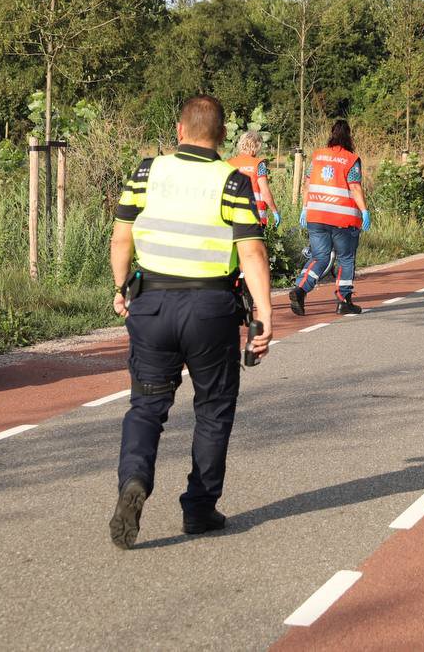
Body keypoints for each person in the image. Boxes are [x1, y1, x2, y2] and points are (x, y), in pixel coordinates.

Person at [107, 94, 273, 549]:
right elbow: (252, 252)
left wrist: (122, 288)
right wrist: (264, 313)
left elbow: (121, 237)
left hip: (153, 306)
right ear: (221, 136)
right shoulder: (232, 181)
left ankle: (135, 479)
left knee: (146, 406)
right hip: (209, 311)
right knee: (213, 409)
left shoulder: (146, 172)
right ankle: (199, 509)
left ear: (179, 131)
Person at [290, 118, 371, 316]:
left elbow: (307, 184)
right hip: (343, 220)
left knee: (320, 257)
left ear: (331, 134)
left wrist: (304, 207)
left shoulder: (318, 156)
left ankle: (300, 289)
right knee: (345, 258)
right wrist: (365, 210)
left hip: (316, 216)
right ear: (348, 136)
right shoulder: (351, 159)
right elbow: (354, 186)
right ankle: (344, 300)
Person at [228, 130, 281, 228]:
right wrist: (274, 211)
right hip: (255, 217)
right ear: (256, 146)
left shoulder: (229, 163)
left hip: (232, 216)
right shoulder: (259, 164)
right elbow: (265, 192)